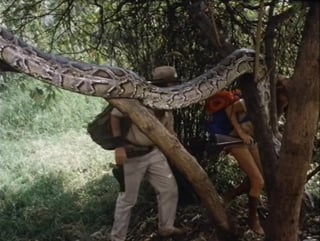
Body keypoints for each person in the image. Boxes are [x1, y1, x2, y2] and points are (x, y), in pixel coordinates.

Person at [110, 66, 185, 241]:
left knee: (169, 189)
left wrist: (174, 153)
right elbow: (115, 116)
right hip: (132, 154)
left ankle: (166, 228)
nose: (174, 86)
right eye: (171, 83)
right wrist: (119, 146)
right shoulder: (139, 100)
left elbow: (169, 132)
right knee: (127, 200)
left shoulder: (168, 104)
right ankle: (117, 238)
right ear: (163, 84)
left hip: (154, 153)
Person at [207, 92, 265, 235]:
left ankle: (228, 197)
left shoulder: (278, 105)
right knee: (258, 181)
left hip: (251, 139)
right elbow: (229, 110)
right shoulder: (255, 98)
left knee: (259, 177)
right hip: (233, 138)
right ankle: (252, 219)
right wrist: (241, 133)